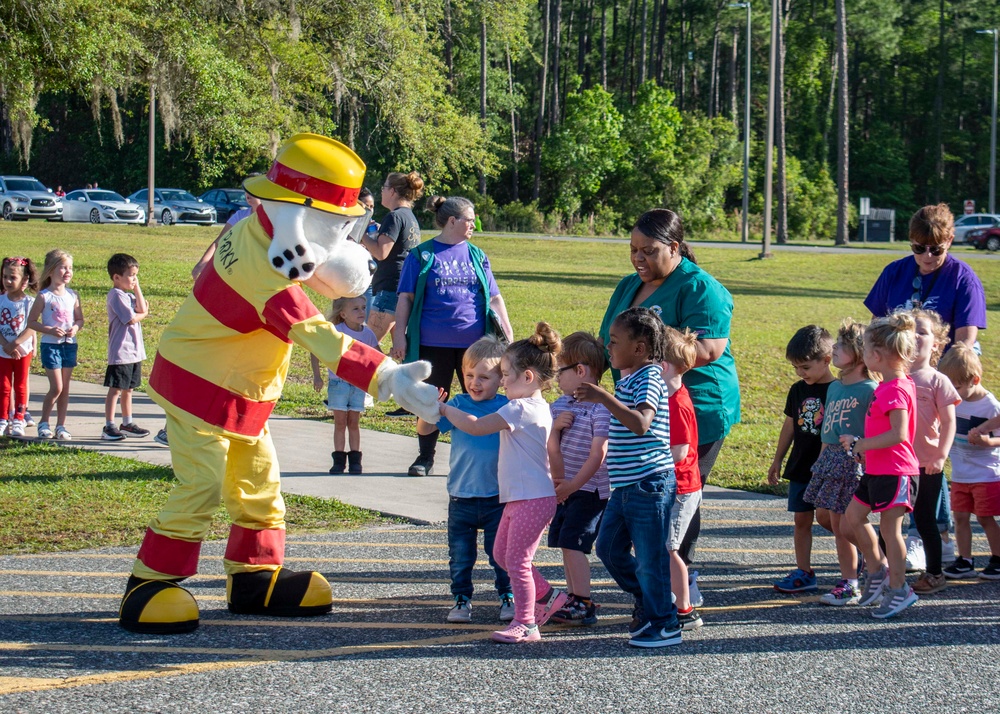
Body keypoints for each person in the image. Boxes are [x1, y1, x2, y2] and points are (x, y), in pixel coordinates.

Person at [599, 208, 740, 595]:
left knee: (680, 492)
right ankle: (655, 584)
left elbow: (708, 349)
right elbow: (610, 339)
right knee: (649, 493)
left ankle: (682, 580)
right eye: (633, 250)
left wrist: (648, 349)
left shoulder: (701, 287)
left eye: (648, 250)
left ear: (674, 247)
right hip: (642, 409)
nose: (638, 259)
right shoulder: (629, 285)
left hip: (694, 409)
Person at [439, 323, 568, 644]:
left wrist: (443, 408)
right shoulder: (534, 406)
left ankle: (526, 624)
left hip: (531, 498)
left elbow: (477, 426)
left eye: (506, 375)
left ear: (527, 378)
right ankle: (550, 597)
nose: (503, 382)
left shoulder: (520, 408)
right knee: (502, 555)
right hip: (522, 497)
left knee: (518, 562)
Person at [577, 307, 680, 649]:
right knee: (607, 548)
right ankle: (650, 601)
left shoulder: (649, 377)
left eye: (615, 341)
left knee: (651, 558)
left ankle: (665, 623)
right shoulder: (628, 378)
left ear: (639, 348)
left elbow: (641, 423)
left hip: (650, 482)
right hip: (625, 485)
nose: (608, 347)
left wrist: (601, 396)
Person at [392, 196, 513, 477]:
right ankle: (425, 457)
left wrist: (508, 335)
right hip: (433, 344)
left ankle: (491, 456)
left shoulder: (477, 255)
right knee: (432, 401)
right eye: (470, 219)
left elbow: (494, 298)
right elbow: (405, 298)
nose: (474, 225)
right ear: (452, 221)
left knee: (484, 397)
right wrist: (400, 335)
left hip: (476, 346)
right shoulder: (422, 255)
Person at [423, 336, 514, 624]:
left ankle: (508, 596)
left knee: (501, 555)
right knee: (460, 557)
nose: (475, 382)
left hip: (497, 497)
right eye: (469, 375)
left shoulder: (507, 406)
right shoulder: (457, 403)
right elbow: (426, 430)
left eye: (484, 377)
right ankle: (461, 599)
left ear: (501, 378)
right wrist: (430, 408)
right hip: (461, 496)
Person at [841, 313, 920, 620]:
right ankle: (878, 570)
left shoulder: (897, 388)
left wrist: (862, 445)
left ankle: (900, 590)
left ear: (877, 355)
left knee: (891, 531)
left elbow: (899, 434)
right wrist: (863, 445)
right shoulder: (886, 385)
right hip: (877, 468)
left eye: (865, 349)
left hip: (896, 470)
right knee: (852, 517)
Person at [805, 319, 877, 606]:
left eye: (842, 345)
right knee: (832, 521)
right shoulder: (834, 388)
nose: (834, 347)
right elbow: (828, 432)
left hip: (854, 462)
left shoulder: (870, 389)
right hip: (831, 460)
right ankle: (858, 574)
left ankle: (868, 572)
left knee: (846, 521)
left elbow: (874, 432)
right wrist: (820, 463)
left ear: (859, 353)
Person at [546, 331, 610, 627]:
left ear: (580, 371)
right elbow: (547, 446)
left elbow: (598, 455)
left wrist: (573, 485)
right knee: (564, 542)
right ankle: (574, 596)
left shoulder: (602, 408)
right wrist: (554, 429)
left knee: (575, 543)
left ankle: (583, 601)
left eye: (561, 371)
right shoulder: (559, 406)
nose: (557, 379)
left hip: (590, 490)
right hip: (565, 488)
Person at [767, 325, 836, 593]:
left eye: (805, 367)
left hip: (829, 468)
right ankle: (804, 571)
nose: (800, 373)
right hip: (800, 466)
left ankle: (862, 550)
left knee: (830, 519)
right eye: (796, 367)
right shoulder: (797, 389)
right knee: (801, 520)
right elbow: (790, 425)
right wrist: (777, 459)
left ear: (826, 360)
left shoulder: (838, 390)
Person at [865, 203, 986, 350]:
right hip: (897, 363)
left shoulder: (964, 279)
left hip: (943, 365)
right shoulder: (894, 272)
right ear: (911, 241)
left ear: (949, 241)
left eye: (936, 249)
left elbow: (964, 344)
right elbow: (876, 329)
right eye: (919, 248)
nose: (927, 256)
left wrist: (933, 372)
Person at [906, 309, 959, 595]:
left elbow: (950, 422)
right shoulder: (894, 377)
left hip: (927, 463)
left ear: (936, 343)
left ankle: (935, 573)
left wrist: (940, 456)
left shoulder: (939, 381)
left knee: (925, 519)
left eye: (923, 332)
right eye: (910, 331)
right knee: (889, 515)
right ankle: (881, 568)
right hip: (896, 462)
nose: (915, 336)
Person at [938, 344, 1000, 581]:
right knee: (960, 518)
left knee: (985, 518)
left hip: (986, 474)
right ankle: (965, 560)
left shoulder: (990, 406)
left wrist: (987, 441)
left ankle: (997, 558)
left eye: (957, 386)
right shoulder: (955, 400)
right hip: (961, 474)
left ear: (975, 379)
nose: (952, 391)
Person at [661, 326, 704, 630]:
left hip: (682, 488)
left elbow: (679, 451)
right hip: (676, 486)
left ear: (663, 366)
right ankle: (675, 600)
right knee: (666, 546)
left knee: (670, 547)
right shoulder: (671, 394)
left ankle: (685, 609)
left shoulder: (677, 403)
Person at [310, 296, 380, 474]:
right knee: (340, 422)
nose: (361, 312)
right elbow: (316, 350)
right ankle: (339, 460)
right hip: (338, 383)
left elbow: (379, 357)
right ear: (343, 314)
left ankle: (356, 460)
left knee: (354, 422)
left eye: (363, 307)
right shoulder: (336, 331)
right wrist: (317, 376)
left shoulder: (367, 334)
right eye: (355, 309)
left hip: (359, 385)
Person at [26, 249, 84, 441]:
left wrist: (75, 328)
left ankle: (61, 425)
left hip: (69, 345)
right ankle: (44, 422)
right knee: (57, 387)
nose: (68, 272)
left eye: (70, 268)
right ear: (51, 271)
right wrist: (49, 330)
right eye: (63, 268)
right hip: (51, 346)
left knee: (65, 388)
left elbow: (79, 319)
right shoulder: (44, 296)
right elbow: (32, 322)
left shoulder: (73, 295)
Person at [362, 171, 424, 344]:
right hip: (403, 287)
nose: (382, 191)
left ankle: (379, 371)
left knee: (368, 343)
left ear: (393, 191)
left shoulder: (394, 216)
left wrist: (360, 233)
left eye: (384, 187)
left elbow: (381, 253)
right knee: (399, 346)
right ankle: (391, 371)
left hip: (389, 289)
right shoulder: (409, 217)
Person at [102, 253, 151, 441]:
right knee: (115, 389)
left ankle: (127, 422)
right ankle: (109, 425)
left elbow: (139, 307)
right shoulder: (115, 295)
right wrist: (145, 314)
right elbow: (131, 319)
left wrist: (137, 287)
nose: (134, 279)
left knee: (129, 389)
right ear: (116, 277)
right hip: (121, 352)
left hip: (134, 352)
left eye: (135, 275)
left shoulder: (128, 295)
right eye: (131, 275)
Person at [0, 256, 38, 438]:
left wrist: (15, 343)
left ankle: (19, 418)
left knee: (21, 386)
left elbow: (32, 326)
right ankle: (2, 419)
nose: (7, 281)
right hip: (3, 352)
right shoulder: (1, 300)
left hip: (22, 353)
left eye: (12, 277)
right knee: (4, 386)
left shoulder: (29, 303)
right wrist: (6, 345)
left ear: (24, 280)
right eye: (5, 276)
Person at [192, 188, 262, 280]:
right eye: (246, 190)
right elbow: (220, 240)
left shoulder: (273, 218)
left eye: (252, 189)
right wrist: (203, 263)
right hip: (239, 270)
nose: (247, 193)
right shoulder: (240, 215)